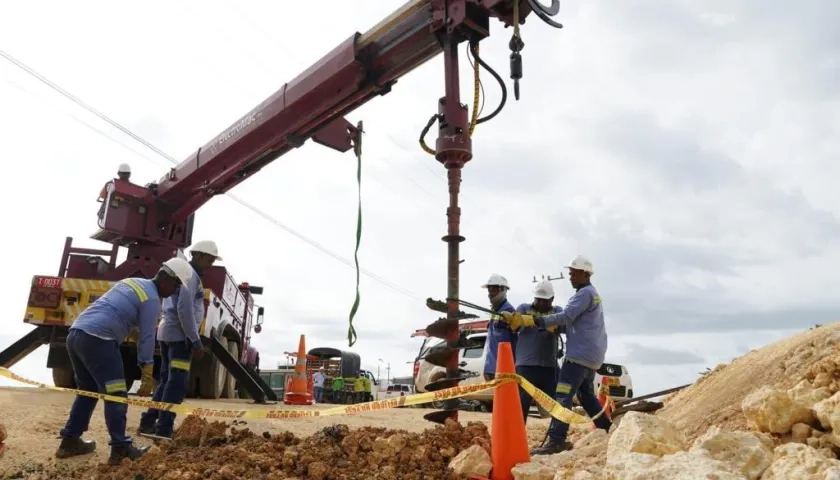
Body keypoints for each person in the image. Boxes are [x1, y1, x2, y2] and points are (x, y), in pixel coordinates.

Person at [55, 257, 194, 465]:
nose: (174, 292)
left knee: (88, 390)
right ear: (167, 278)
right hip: (99, 339)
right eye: (175, 286)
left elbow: (122, 316)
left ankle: (70, 440)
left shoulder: (133, 282)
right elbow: (147, 336)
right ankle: (120, 448)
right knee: (117, 394)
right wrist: (147, 368)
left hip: (76, 334)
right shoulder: (153, 300)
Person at [517, 255, 611, 455]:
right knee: (585, 395)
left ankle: (557, 440)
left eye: (573, 273)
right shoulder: (592, 294)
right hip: (591, 357)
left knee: (562, 396)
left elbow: (567, 317)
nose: (570, 277)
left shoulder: (584, 294)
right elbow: (573, 323)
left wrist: (539, 322)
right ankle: (607, 428)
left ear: (585, 274)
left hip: (577, 357)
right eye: (570, 273)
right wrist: (554, 326)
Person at [137, 241, 222, 439]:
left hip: (168, 334)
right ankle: (164, 429)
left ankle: (148, 423)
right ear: (198, 256)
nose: (210, 265)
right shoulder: (189, 276)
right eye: (209, 260)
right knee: (176, 385)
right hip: (179, 337)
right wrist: (195, 340)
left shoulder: (186, 274)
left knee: (167, 382)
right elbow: (185, 310)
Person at [500, 279, 563, 425]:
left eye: (544, 300)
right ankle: (517, 435)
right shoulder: (523, 308)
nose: (540, 303)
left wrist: (544, 322)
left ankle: (555, 437)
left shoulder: (557, 311)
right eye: (538, 299)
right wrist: (513, 320)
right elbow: (515, 327)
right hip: (526, 367)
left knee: (556, 405)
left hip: (549, 367)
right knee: (522, 404)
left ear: (552, 299)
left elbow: (563, 325)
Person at [481, 274, 517, 382]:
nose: (490, 293)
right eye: (489, 290)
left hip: (504, 368)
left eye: (493, 290)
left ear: (502, 290)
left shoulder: (509, 310)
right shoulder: (495, 311)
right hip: (492, 366)